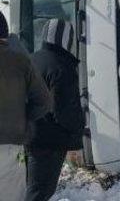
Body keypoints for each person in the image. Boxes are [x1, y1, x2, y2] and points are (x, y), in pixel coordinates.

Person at [26, 19, 84, 201]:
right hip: (49, 141)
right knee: (40, 192)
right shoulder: (61, 66)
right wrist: (78, 132)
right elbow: (65, 110)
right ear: (67, 39)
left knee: (31, 186)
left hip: (27, 136)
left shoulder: (31, 59)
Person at [0, 13, 51, 201]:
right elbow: (44, 102)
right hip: (11, 148)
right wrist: (23, 118)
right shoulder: (21, 62)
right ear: (5, 34)